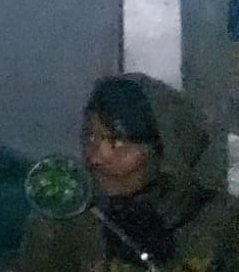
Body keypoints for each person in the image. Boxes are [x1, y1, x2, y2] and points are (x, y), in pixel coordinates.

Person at [17, 73, 239, 272]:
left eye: (117, 142)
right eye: (90, 137)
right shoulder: (63, 223)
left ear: (164, 150)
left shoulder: (221, 223)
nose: (96, 158)